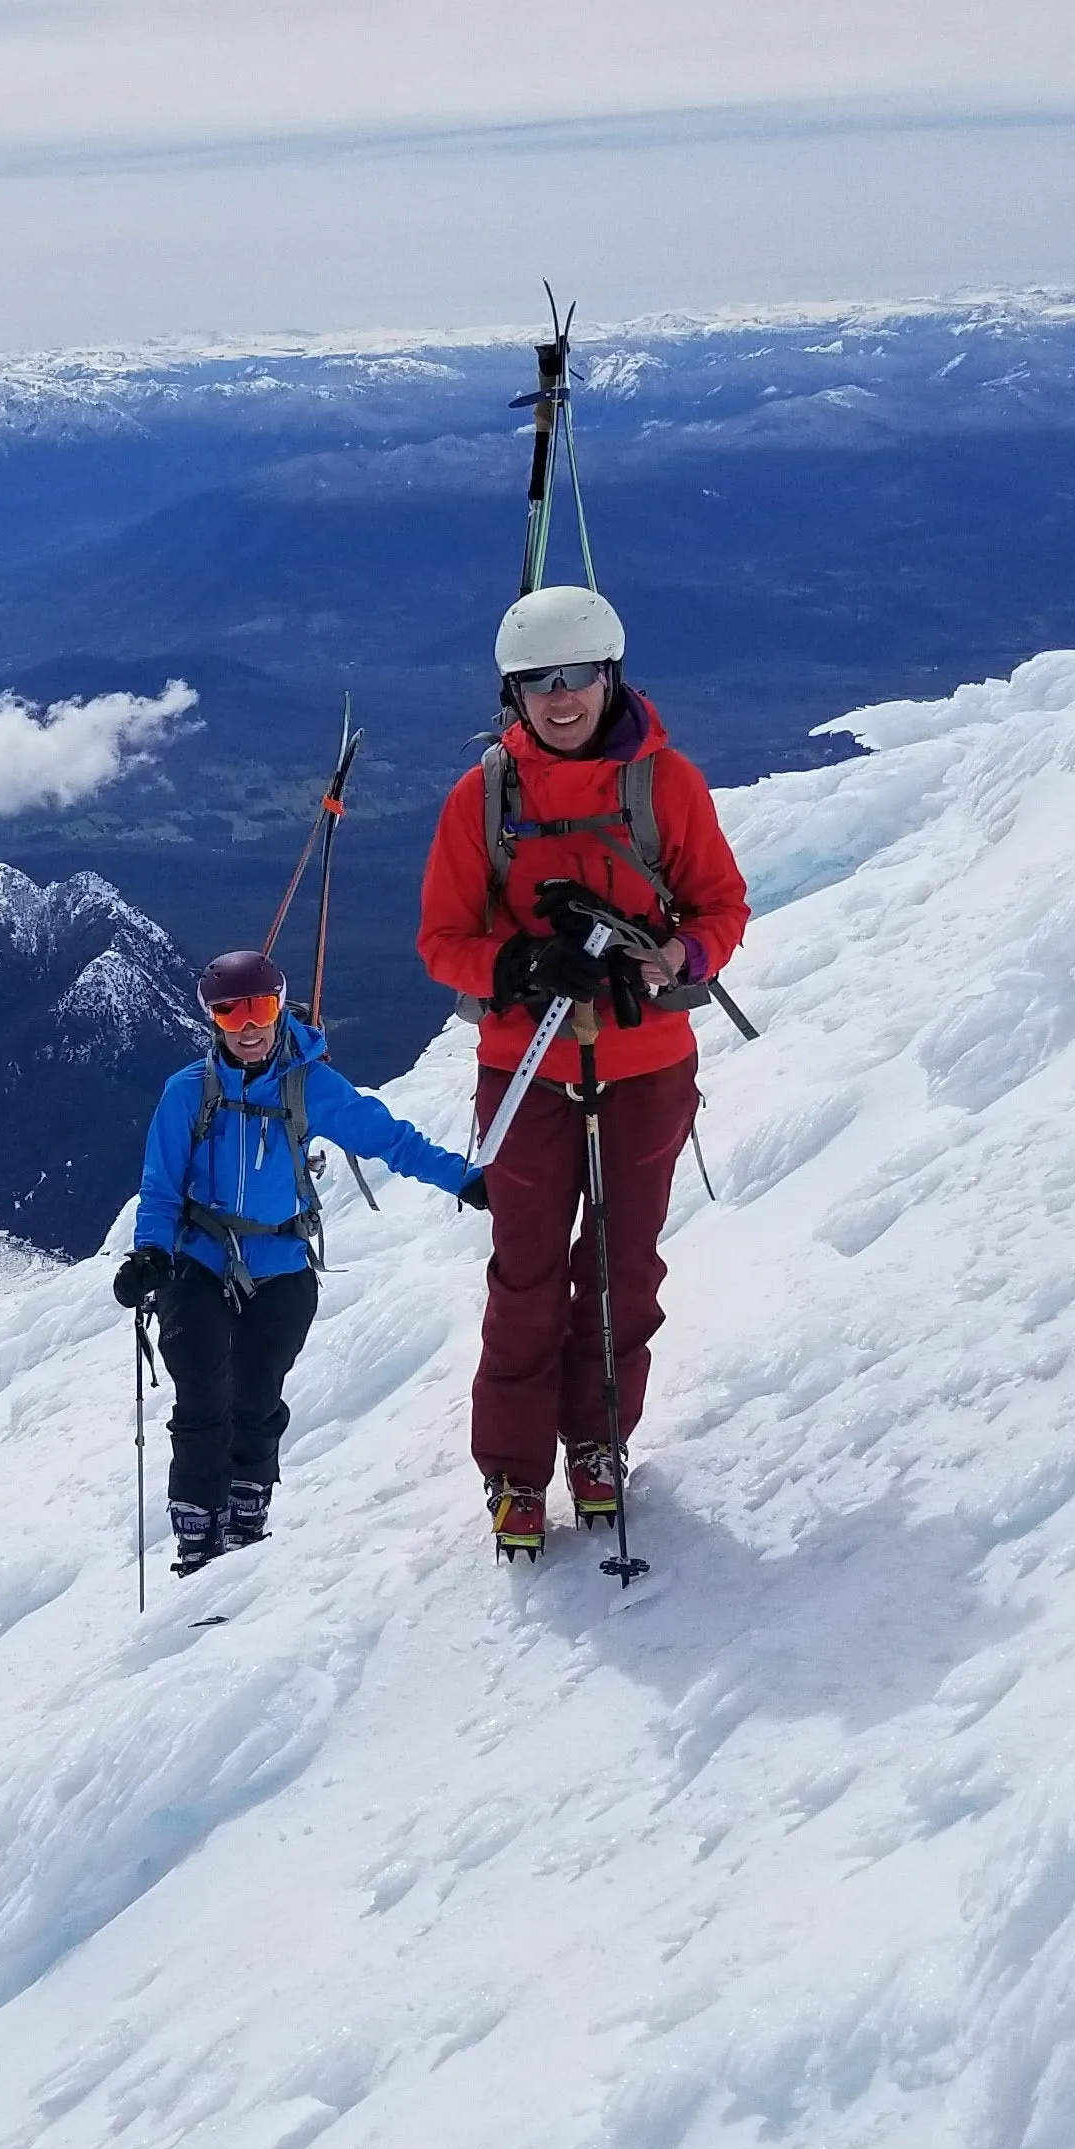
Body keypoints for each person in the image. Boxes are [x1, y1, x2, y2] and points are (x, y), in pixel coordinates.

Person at [414, 585, 750, 1558]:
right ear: (512, 693)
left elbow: (719, 907)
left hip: (647, 1066)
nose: (560, 699)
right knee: (528, 1274)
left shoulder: (665, 785)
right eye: (536, 682)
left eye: (577, 677)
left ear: (612, 676)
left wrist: (676, 959)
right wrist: (516, 967)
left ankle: (597, 1442)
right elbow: (441, 941)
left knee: (622, 1269)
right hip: (526, 1066)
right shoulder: (482, 801)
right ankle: (516, 1472)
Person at [111, 947, 481, 1575]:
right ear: (211, 1021)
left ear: (281, 1007)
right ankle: (198, 1540)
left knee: (256, 1397)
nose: (250, 1028)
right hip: (199, 1258)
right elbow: (162, 1186)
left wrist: (464, 1181)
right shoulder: (187, 1094)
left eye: (260, 1009)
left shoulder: (309, 1085)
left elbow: (388, 1138)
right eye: (232, 1015)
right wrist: (150, 1254)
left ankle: (243, 1532)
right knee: (202, 1398)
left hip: (280, 1262)